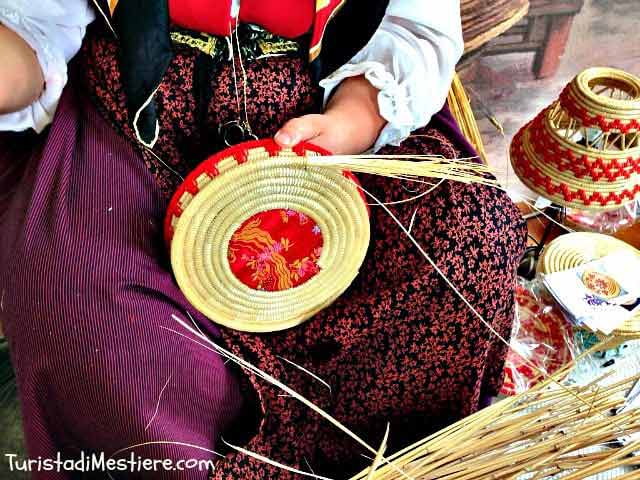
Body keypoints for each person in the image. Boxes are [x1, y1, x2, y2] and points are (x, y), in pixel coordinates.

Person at [0, 1, 526, 478]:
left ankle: (408, 462)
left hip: (322, 111)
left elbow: (410, 28)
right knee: (93, 328)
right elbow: (34, 28)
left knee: (464, 238)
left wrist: (352, 122)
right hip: (140, 127)